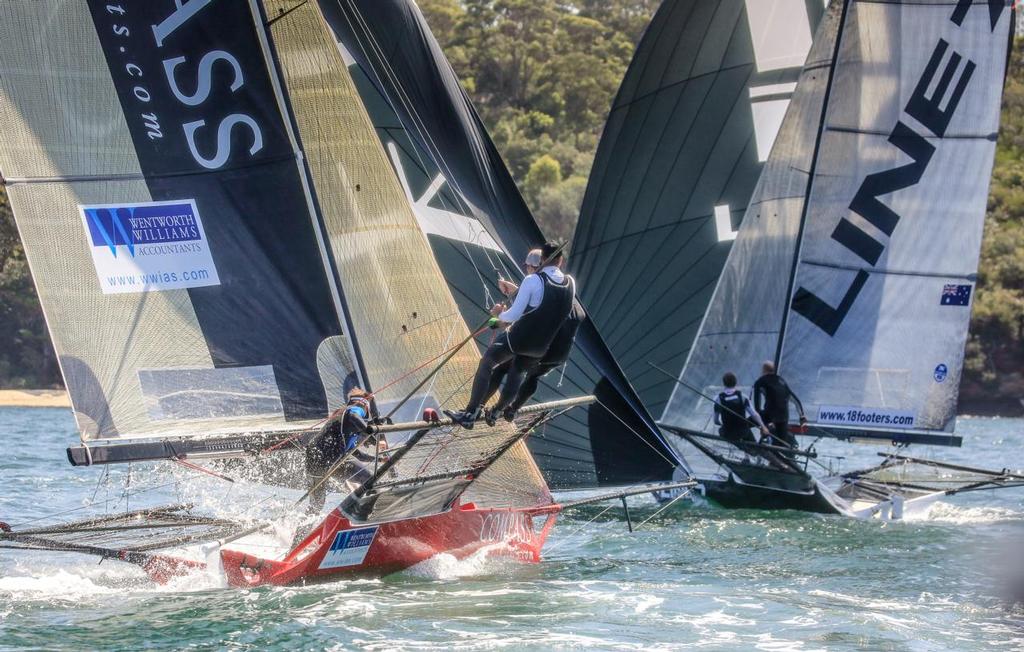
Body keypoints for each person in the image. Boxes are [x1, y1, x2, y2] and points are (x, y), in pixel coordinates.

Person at [446, 242, 576, 429]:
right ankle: (497, 410)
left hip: (519, 338)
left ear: (541, 260)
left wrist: (498, 314)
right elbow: (547, 305)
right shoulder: (571, 283)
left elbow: (513, 316)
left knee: (488, 362)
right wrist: (517, 292)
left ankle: (470, 413)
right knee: (519, 373)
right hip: (541, 347)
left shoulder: (533, 280)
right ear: (561, 261)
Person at [305, 388, 378, 515]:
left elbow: (357, 454)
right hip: (320, 460)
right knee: (317, 505)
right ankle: (303, 532)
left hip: (328, 459)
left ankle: (365, 512)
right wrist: (368, 431)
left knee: (368, 478)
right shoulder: (354, 410)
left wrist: (378, 459)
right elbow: (352, 415)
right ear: (365, 405)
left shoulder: (346, 426)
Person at [753, 361, 807, 452]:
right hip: (784, 417)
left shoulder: (760, 382)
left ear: (763, 370)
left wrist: (762, 424)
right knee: (781, 444)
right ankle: (782, 461)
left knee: (745, 423)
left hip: (770, 416)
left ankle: (751, 449)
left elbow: (757, 406)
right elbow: (796, 401)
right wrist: (801, 416)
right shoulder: (781, 381)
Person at [715, 372, 770, 458]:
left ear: (724, 383)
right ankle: (753, 454)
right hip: (743, 430)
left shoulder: (718, 399)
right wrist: (763, 426)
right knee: (747, 432)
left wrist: (721, 423)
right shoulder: (742, 396)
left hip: (729, 433)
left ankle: (745, 451)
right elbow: (754, 414)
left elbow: (716, 420)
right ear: (736, 382)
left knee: (721, 431)